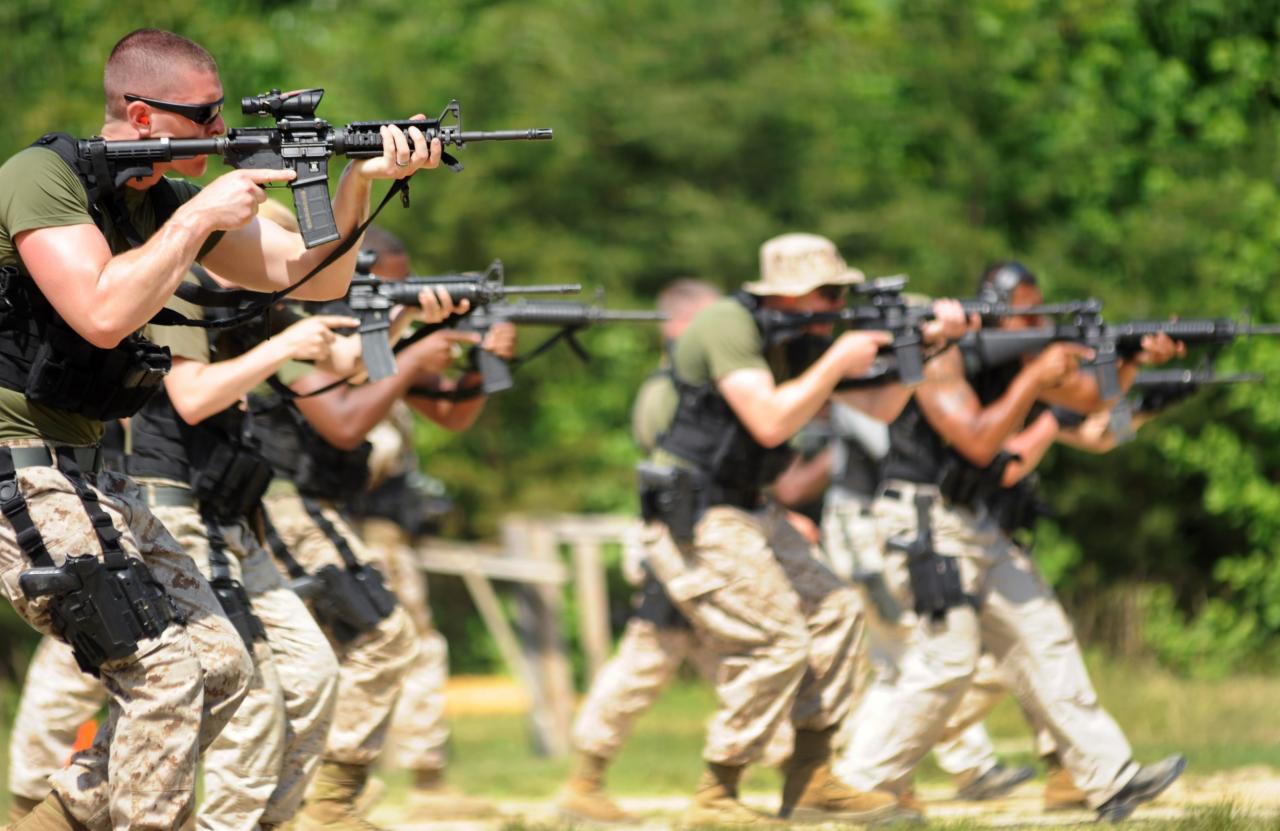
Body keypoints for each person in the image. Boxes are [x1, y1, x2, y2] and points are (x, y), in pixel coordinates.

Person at [0, 28, 438, 831]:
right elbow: (100, 313)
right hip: (18, 463)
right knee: (164, 674)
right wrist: (198, 216)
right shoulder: (42, 176)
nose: (218, 131)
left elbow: (312, 276)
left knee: (221, 665)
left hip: (87, 465)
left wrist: (359, 182)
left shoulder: (158, 198)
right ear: (140, 115)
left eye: (219, 113)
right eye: (201, 117)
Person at [834, 261, 1188, 823]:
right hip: (925, 518)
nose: (1037, 325)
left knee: (1044, 635)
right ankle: (862, 785)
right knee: (946, 659)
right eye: (1026, 315)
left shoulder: (1019, 358)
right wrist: (1035, 379)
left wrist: (1133, 359)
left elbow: (1091, 399)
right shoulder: (942, 354)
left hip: (976, 520)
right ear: (997, 313)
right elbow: (977, 442)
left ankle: (1109, 777)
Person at [637, 233, 968, 826]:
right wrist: (839, 359)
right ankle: (716, 794)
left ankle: (812, 779)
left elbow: (881, 409)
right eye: (827, 294)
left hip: (750, 508)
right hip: (697, 510)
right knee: (776, 642)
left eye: (840, 294)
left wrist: (924, 348)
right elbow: (768, 422)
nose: (836, 307)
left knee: (837, 611)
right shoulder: (727, 324)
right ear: (786, 295)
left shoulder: (802, 339)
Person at [343, 225, 515, 819]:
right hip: (337, 511)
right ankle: (348, 783)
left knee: (412, 644)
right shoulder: (326, 335)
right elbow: (348, 406)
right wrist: (409, 344)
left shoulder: (387, 343)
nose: (407, 296)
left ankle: (424, 777)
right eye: (393, 288)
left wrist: (483, 362)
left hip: (381, 520)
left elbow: (450, 413)